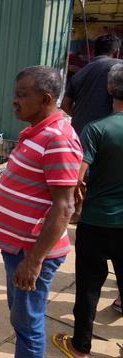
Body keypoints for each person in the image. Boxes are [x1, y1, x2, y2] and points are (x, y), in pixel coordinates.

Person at [0, 66, 81, 358]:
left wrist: (34, 260)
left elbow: (64, 208)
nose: (14, 101)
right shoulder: (37, 132)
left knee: (28, 324)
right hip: (19, 249)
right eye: (15, 94)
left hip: (31, 252)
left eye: (22, 95)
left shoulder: (57, 140)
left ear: (46, 98)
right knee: (20, 316)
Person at [51, 64, 123, 358]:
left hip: (96, 222)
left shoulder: (96, 129)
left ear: (109, 89)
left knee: (89, 286)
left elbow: (76, 178)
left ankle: (81, 348)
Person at [60, 34, 123, 315]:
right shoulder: (116, 68)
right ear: (116, 51)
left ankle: (81, 345)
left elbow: (76, 177)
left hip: (86, 145)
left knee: (89, 280)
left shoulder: (84, 72)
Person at [61, 34, 122, 133]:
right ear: (116, 52)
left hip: (80, 132)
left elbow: (65, 104)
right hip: (109, 134)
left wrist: (82, 118)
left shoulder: (80, 73)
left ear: (94, 52)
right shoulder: (120, 67)